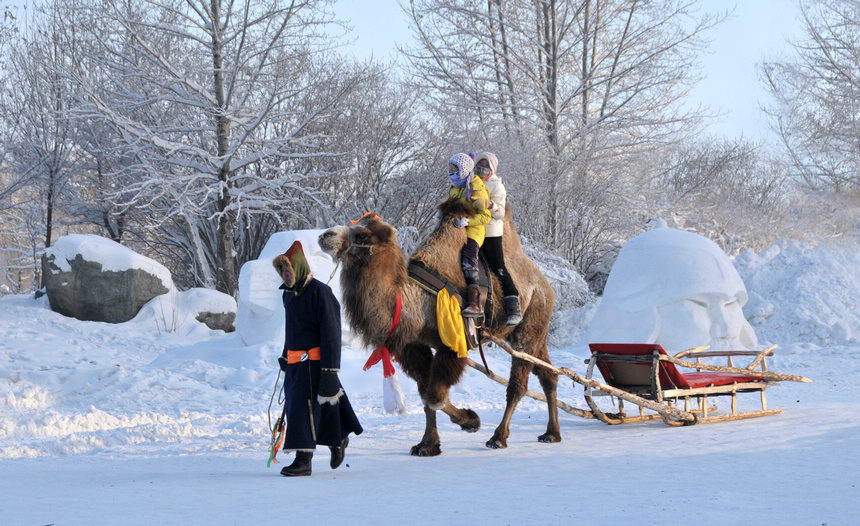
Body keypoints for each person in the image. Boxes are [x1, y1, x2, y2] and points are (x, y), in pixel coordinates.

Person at [272, 240, 363, 477]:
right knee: (305, 408)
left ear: (298, 267)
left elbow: (332, 334)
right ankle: (339, 438)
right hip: (294, 363)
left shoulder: (321, 293)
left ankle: (304, 460)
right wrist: (285, 355)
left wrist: (330, 371)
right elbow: (292, 330)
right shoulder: (288, 296)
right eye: (281, 270)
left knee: (306, 409)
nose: (284, 275)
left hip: (315, 364)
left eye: (287, 269)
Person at [474, 152, 522, 326]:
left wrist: (488, 203)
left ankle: (513, 304)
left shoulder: (497, 186)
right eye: (479, 164)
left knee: (498, 266)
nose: (481, 168)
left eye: (485, 165)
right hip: (473, 229)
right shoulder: (472, 182)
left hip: (490, 233)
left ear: (492, 168)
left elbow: (500, 212)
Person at [447, 152, 491, 317]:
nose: (452, 174)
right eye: (450, 170)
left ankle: (475, 301)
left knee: (468, 258)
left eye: (455, 170)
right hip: (456, 231)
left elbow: (485, 215)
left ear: (464, 170)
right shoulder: (455, 188)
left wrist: (468, 221)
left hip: (473, 231)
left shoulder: (476, 186)